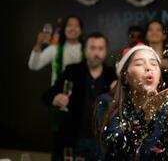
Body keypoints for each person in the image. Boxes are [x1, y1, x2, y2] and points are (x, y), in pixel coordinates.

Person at [95, 43, 168, 160]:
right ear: (125, 76)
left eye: (154, 64)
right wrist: (147, 112)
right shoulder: (107, 103)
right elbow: (116, 149)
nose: (149, 68)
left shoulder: (167, 107)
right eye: (139, 63)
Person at [43, 32, 117, 161]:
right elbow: (47, 95)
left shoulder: (112, 75)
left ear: (105, 51)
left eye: (100, 49)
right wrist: (55, 98)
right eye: (92, 48)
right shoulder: (72, 71)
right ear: (85, 50)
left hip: (101, 141)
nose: (96, 53)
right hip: (73, 138)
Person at [28, 15, 84, 85]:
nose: (72, 28)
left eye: (76, 26)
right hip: (57, 93)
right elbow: (34, 66)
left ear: (81, 31)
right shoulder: (54, 49)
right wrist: (38, 44)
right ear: (64, 30)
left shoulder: (87, 50)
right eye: (69, 25)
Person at [145, 21, 168, 87]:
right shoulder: (140, 55)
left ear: (164, 35)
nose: (154, 33)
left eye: (158, 30)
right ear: (146, 35)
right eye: (150, 30)